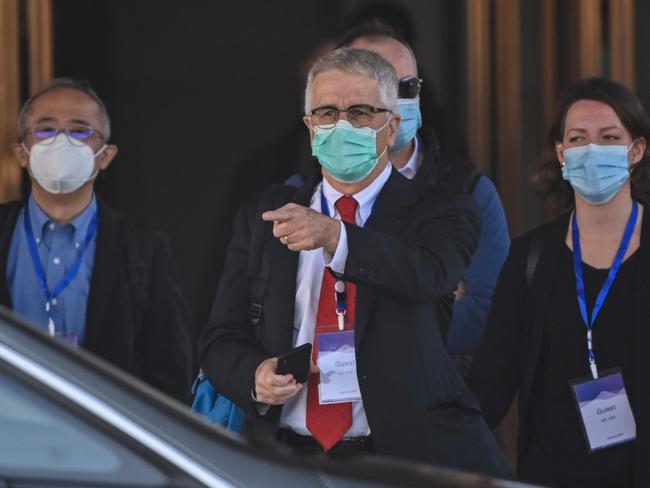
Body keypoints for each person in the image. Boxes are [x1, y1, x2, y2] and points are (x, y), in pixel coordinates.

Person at [200, 47, 513, 478]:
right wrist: (254, 375)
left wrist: (336, 235)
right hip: (284, 460)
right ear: (310, 128)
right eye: (327, 113)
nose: (342, 125)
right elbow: (220, 337)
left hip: (398, 463)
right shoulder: (266, 215)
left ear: (392, 126)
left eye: (361, 112)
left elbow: (429, 273)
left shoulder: (444, 208)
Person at [466, 77, 650, 487]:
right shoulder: (531, 257)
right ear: (561, 154)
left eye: (608, 137)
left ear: (636, 149)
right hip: (550, 475)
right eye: (578, 139)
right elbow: (491, 383)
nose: (592, 150)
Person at [0, 78, 191, 403]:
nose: (62, 143)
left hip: (104, 445)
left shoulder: (144, 251)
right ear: (21, 153)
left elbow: (169, 379)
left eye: (80, 131)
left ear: (105, 156)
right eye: (45, 130)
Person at [338, 21, 510, 374]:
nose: (397, 100)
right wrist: (436, 294)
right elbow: (290, 320)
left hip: (434, 409)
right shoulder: (302, 193)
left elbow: (487, 318)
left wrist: (357, 311)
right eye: (380, 85)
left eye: (407, 86)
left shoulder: (469, 190)